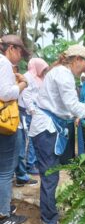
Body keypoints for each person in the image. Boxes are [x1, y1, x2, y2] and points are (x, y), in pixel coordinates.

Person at [29, 44, 85, 224]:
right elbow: (72, 106)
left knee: (50, 176)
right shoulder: (64, 75)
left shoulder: (57, 72)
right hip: (46, 130)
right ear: (76, 59)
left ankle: (50, 220)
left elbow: (67, 109)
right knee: (50, 178)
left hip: (45, 128)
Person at [0, 34, 29, 224]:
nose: (20, 57)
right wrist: (22, 84)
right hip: (5, 123)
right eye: (20, 52)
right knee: (5, 171)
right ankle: (3, 214)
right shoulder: (3, 62)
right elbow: (5, 93)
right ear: (11, 48)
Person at [15, 58, 49, 186]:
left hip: (36, 112)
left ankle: (31, 164)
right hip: (26, 112)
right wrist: (32, 110)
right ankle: (25, 170)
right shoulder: (27, 77)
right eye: (43, 68)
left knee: (34, 139)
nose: (44, 71)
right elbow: (26, 96)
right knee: (26, 142)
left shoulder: (39, 78)